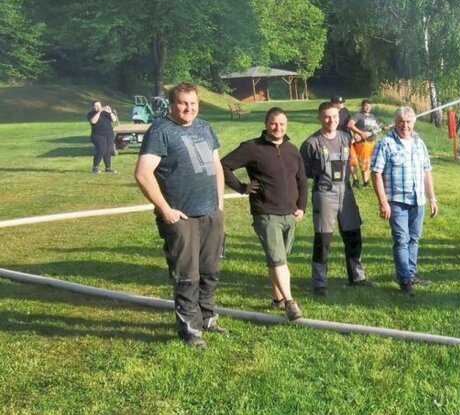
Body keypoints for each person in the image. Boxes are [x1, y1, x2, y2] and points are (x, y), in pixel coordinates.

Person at [134, 83, 226, 349]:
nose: (189, 108)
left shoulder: (205, 127)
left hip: (211, 212)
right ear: (172, 105)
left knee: (211, 269)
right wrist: (166, 209)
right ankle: (190, 329)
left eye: (193, 103)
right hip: (181, 216)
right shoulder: (160, 130)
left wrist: (219, 203)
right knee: (187, 274)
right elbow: (142, 174)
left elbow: (217, 167)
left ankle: (208, 318)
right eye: (183, 103)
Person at [221, 107, 309, 322]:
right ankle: (290, 302)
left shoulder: (292, 149)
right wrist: (242, 187)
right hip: (266, 213)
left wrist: (301, 207)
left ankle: (278, 299)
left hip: (290, 213)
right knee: (277, 257)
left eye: (282, 124)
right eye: (273, 123)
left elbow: (302, 180)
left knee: (279, 258)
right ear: (266, 124)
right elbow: (223, 165)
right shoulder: (252, 148)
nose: (278, 128)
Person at [301, 101, 373, 297]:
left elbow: (361, 148)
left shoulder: (345, 137)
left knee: (353, 235)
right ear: (319, 118)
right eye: (326, 116)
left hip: (346, 193)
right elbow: (302, 171)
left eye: (334, 116)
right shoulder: (311, 143)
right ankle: (320, 283)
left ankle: (357, 277)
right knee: (323, 239)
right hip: (325, 194)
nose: (331, 120)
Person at [371, 106, 438, 296]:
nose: (405, 126)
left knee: (414, 239)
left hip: (418, 200)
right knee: (401, 240)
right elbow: (376, 173)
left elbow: (426, 172)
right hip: (397, 201)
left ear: (413, 123)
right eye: (401, 122)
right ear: (395, 123)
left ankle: (411, 273)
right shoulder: (386, 144)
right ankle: (405, 280)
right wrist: (383, 202)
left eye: (408, 122)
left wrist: (432, 198)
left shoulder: (419, 143)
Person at [350, 99, 386, 187]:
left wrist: (384, 127)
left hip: (372, 142)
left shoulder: (372, 116)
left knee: (368, 162)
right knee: (365, 162)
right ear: (362, 106)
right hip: (363, 142)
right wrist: (361, 133)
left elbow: (378, 127)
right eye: (366, 106)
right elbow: (350, 125)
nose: (367, 108)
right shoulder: (358, 115)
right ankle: (365, 182)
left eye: (369, 106)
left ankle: (366, 181)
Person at [87, 100, 118, 174]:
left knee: (108, 151)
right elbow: (93, 121)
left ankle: (108, 167)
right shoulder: (91, 114)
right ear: (93, 107)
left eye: (99, 105)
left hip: (109, 134)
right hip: (98, 135)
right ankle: (95, 167)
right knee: (101, 150)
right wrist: (99, 112)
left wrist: (110, 112)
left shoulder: (106, 113)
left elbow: (114, 120)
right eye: (96, 105)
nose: (98, 107)